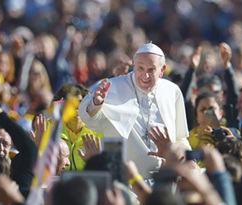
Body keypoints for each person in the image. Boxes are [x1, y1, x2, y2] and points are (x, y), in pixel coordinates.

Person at [78, 42, 191, 178]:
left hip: (165, 177)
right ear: (133, 65)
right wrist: (97, 102)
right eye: (140, 68)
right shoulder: (112, 86)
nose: (145, 75)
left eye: (151, 70)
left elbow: (181, 138)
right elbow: (88, 118)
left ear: (162, 70)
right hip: (126, 180)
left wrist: (186, 158)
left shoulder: (172, 91)